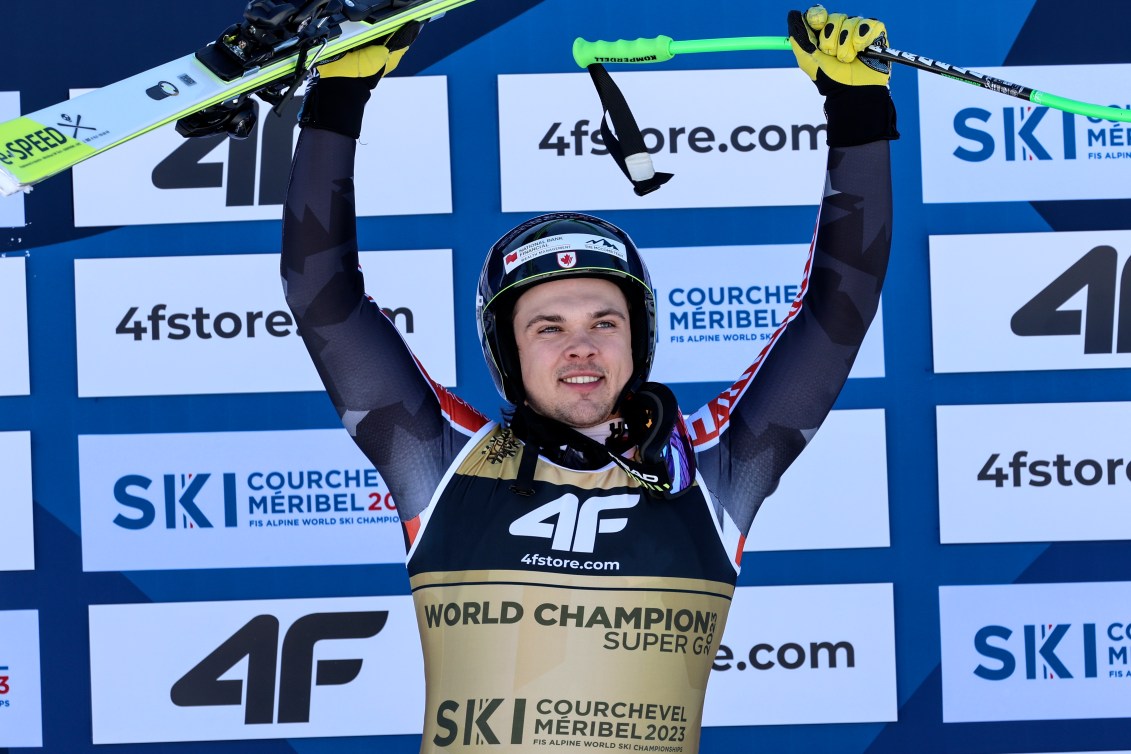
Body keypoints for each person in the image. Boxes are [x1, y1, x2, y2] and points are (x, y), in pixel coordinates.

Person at [280, 5, 896, 751]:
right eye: (548, 327)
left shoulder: (712, 469)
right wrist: (338, 99)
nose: (581, 347)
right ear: (506, 352)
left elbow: (836, 308)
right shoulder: (440, 460)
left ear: (638, 342)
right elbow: (324, 298)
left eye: (604, 322)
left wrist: (857, 113)